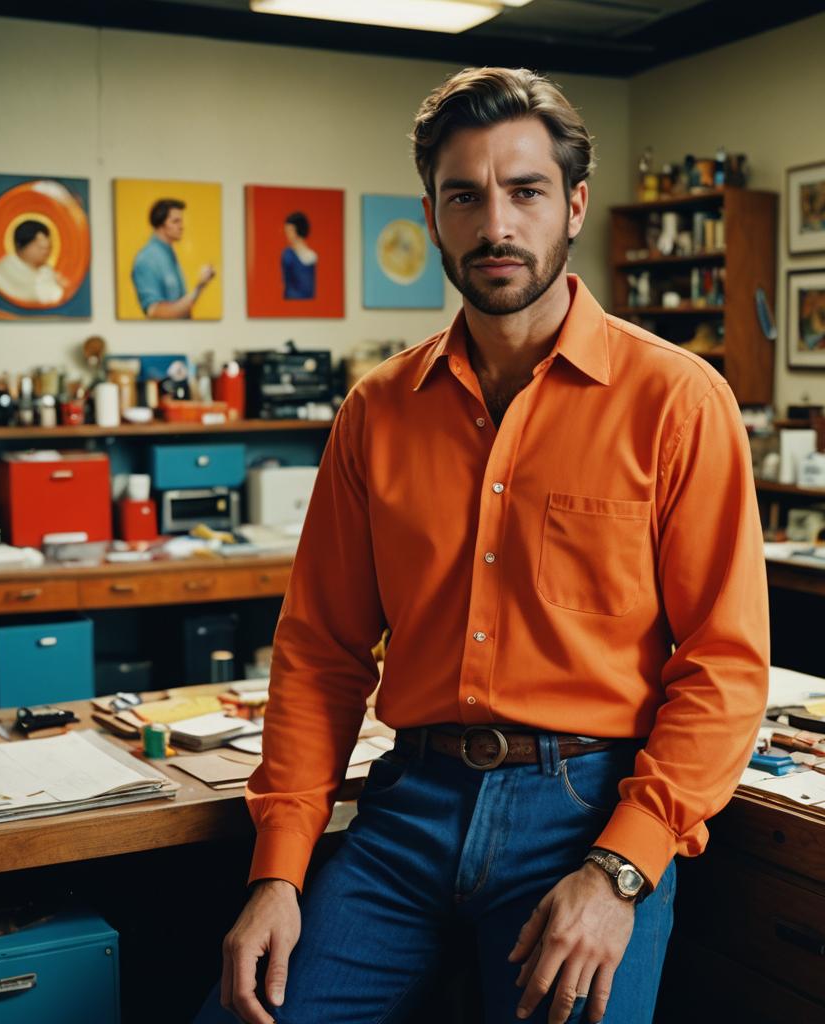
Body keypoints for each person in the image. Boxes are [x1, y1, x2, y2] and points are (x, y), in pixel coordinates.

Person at [203, 67, 768, 1024]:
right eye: (464, 195)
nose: (494, 224)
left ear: (575, 205)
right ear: (432, 215)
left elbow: (723, 663)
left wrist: (620, 869)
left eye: (525, 191)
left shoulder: (677, 401)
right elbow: (319, 653)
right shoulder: (376, 413)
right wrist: (279, 872)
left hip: (585, 812)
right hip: (406, 811)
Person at [131, 198, 215, 318]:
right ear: (161, 225)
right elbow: (156, 313)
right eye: (176, 221)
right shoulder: (147, 259)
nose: (182, 227)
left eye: (181, 221)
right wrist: (199, 287)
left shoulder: (168, 254)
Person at [0, 219, 66, 306]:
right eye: (39, 247)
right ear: (20, 246)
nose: (45, 252)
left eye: (48, 247)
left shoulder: (46, 270)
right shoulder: (3, 271)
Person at [280, 211, 317, 299]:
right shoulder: (287, 255)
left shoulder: (312, 255)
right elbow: (287, 285)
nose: (287, 234)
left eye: (290, 230)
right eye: (287, 230)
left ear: (298, 229)